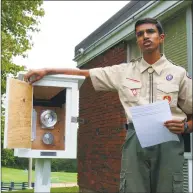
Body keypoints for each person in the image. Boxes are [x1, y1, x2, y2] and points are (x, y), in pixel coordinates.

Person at [24, 18, 192, 193]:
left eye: (150, 32)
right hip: (135, 138)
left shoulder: (178, 73)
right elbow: (85, 73)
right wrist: (47, 71)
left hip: (169, 140)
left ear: (161, 37)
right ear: (137, 41)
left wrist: (186, 126)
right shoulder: (124, 71)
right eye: (140, 34)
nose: (145, 36)